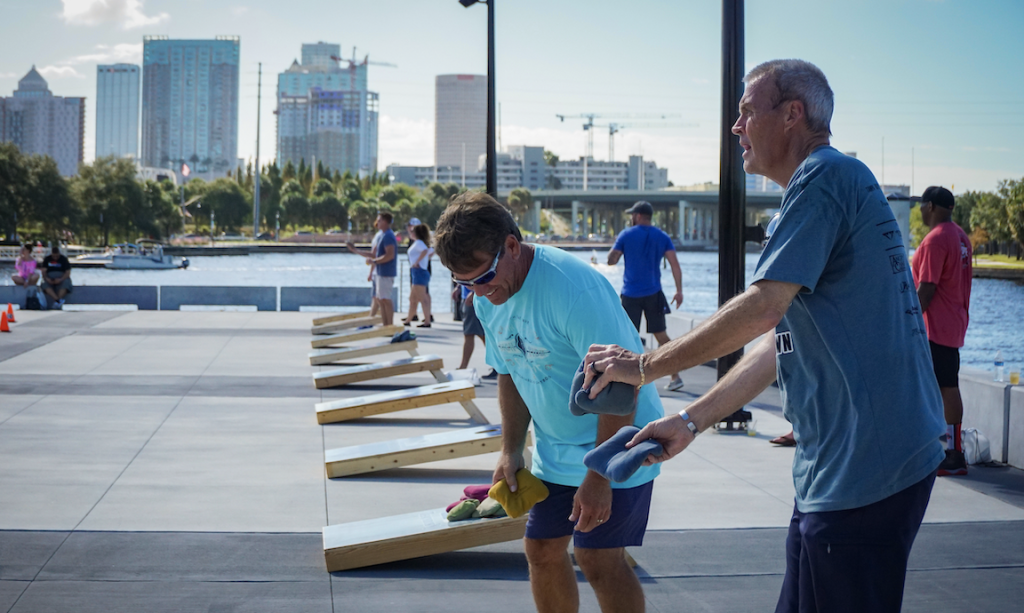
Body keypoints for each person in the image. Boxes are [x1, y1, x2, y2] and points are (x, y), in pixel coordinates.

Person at [583, 59, 944, 612]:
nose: (736, 127)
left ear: (792, 114)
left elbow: (762, 306)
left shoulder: (825, 177)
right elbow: (778, 341)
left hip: (867, 467)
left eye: (747, 111)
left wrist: (644, 366)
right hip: (838, 467)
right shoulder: (830, 183)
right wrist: (689, 420)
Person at [434, 192, 663, 613]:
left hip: (622, 440)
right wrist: (510, 449)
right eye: (463, 283)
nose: (478, 292)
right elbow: (509, 371)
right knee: (541, 549)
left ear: (511, 246)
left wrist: (599, 476)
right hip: (556, 447)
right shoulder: (487, 298)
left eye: (483, 277)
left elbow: (621, 385)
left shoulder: (573, 290)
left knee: (597, 557)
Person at [913, 185, 972, 476]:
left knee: (941, 387)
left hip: (935, 328)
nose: (920, 211)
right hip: (954, 322)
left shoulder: (935, 239)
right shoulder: (961, 236)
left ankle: (951, 455)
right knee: (946, 385)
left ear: (931, 206)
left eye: (922, 205)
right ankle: (952, 449)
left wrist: (907, 321)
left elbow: (927, 288)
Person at [608, 200, 685, 391]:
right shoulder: (662, 236)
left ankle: (626, 380)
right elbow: (675, 265)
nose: (631, 218)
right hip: (654, 293)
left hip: (630, 294)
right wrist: (679, 290)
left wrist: (617, 248)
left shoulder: (626, 234)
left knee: (627, 336)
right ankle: (675, 376)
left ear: (638, 216)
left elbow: (611, 260)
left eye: (632, 215)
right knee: (661, 336)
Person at [347, 212, 397, 326]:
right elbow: (374, 254)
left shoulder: (388, 236)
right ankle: (385, 325)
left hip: (386, 272)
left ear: (385, 222)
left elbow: (390, 255)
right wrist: (356, 250)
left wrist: (374, 262)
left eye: (379, 221)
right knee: (380, 299)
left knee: (385, 299)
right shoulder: (381, 236)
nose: (377, 223)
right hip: (379, 272)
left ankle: (389, 326)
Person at [404, 217, 434, 324]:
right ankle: (408, 319)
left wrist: (417, 262)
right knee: (412, 298)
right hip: (416, 272)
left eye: (413, 231)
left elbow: (425, 251)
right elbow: (430, 250)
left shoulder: (419, 243)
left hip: (419, 272)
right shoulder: (418, 243)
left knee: (422, 297)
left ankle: (427, 321)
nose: (410, 232)